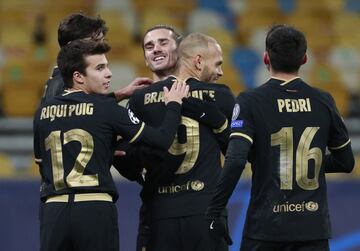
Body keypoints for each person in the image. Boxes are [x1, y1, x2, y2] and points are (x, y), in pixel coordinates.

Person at [206, 24, 355, 251]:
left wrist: (215, 210)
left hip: (266, 229)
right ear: (304, 59)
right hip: (313, 230)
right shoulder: (324, 101)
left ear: (266, 58)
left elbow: (236, 160)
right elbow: (346, 162)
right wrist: (299, 163)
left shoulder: (250, 101)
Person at [33, 39, 189, 251]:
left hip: (53, 210)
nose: (109, 73)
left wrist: (118, 95)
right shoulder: (107, 109)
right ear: (78, 77)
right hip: (94, 208)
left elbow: (42, 163)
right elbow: (161, 140)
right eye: (100, 68)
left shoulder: (43, 111)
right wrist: (174, 104)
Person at [127, 32, 235, 251]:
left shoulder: (140, 99)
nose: (221, 72)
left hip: (159, 213)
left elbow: (126, 158)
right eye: (217, 64)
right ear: (197, 61)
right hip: (204, 208)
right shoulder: (221, 95)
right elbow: (237, 151)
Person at [41, 12, 153, 104]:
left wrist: (122, 93)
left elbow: (90, 108)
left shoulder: (66, 77)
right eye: (94, 42)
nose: (102, 48)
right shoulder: (62, 83)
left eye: (102, 42)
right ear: (72, 46)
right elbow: (87, 113)